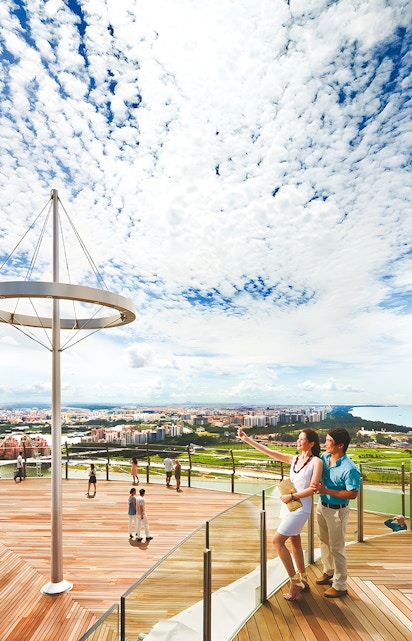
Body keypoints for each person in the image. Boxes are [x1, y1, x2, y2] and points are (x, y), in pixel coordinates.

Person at [238, 427, 322, 600]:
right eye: (298, 438)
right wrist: (247, 439)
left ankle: (294, 582)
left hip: (301, 507)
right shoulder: (294, 459)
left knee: (277, 541)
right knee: (294, 542)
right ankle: (303, 578)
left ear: (311, 443)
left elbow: (313, 489)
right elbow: (269, 451)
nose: (298, 441)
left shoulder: (316, 462)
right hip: (289, 506)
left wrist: (291, 496)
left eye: (301, 439)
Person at [312, 428, 361, 598]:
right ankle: (329, 571)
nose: (325, 444)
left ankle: (340, 585)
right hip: (322, 506)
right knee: (323, 540)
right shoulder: (325, 458)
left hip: (337, 512)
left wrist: (326, 490)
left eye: (328, 441)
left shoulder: (350, 469)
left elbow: (352, 494)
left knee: (337, 548)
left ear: (340, 445)